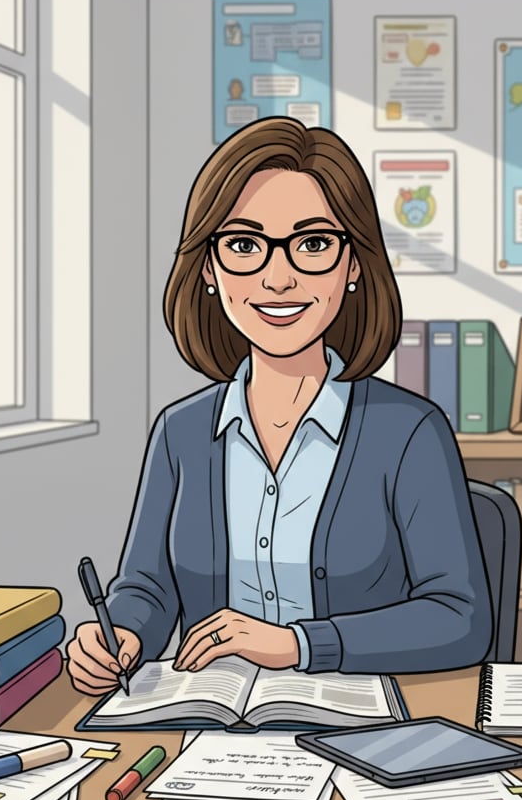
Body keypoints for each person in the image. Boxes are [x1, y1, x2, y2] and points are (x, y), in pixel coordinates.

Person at [66, 117, 492, 695]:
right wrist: (122, 635)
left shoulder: (409, 430)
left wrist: (298, 645)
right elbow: (148, 586)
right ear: (210, 269)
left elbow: (460, 619)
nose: (278, 276)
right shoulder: (181, 432)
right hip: (209, 728)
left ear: (355, 266)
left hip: (357, 730)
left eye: (313, 244)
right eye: (244, 245)